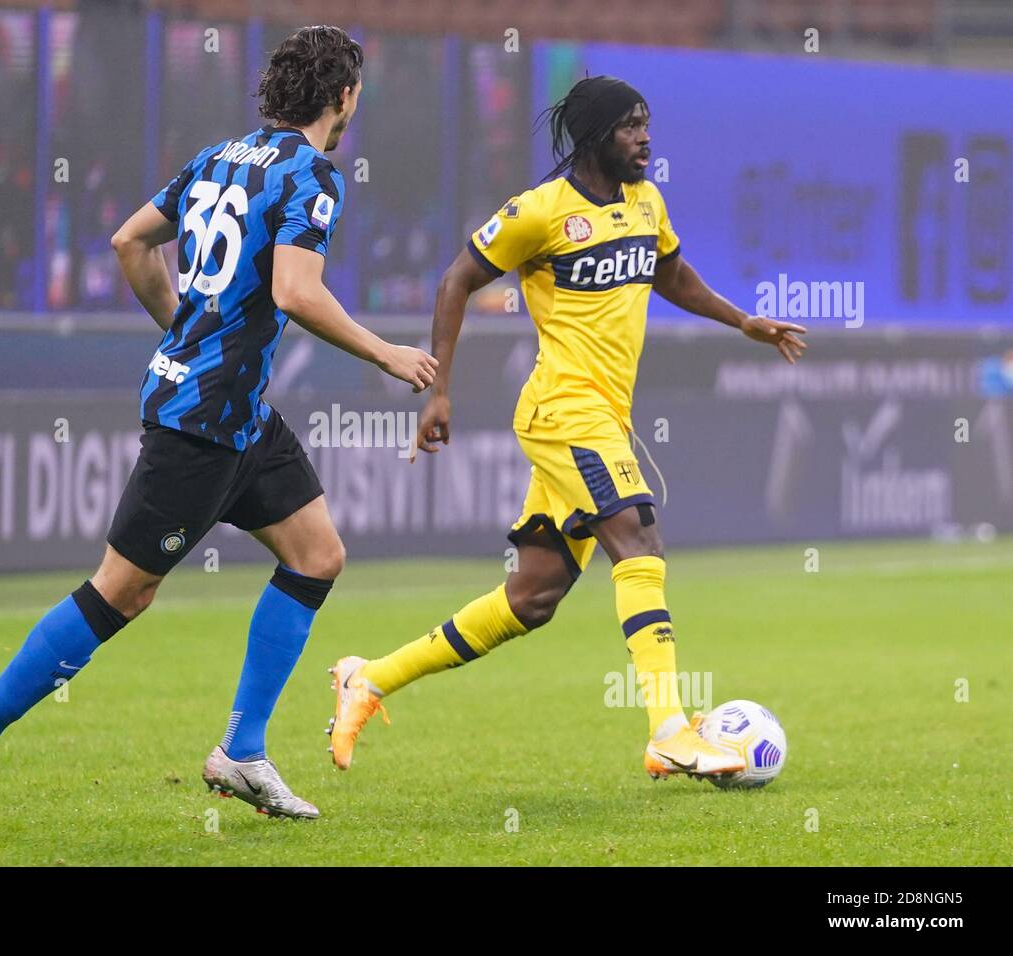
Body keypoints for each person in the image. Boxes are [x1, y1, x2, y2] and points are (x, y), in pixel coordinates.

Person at [0, 25, 437, 825]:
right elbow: (297, 292)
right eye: (356, 91)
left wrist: (182, 329)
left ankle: (242, 749)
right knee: (122, 594)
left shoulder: (219, 159)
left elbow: (130, 241)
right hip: (201, 421)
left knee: (316, 554)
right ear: (343, 96)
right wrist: (384, 353)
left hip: (238, 414)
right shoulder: (314, 176)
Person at [327, 76, 806, 782]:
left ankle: (367, 679)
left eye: (647, 123)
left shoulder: (646, 202)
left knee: (534, 597)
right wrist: (439, 391)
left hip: (604, 416)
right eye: (630, 127)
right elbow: (455, 281)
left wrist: (744, 321)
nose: (645, 138)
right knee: (638, 534)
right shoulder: (539, 212)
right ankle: (669, 729)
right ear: (593, 138)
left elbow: (669, 273)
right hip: (562, 411)